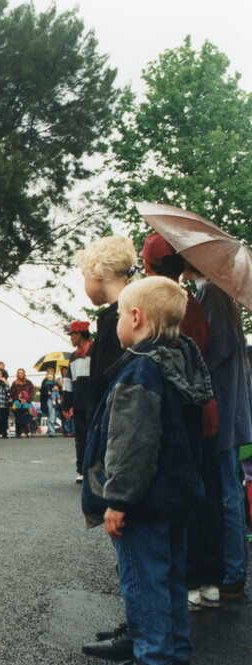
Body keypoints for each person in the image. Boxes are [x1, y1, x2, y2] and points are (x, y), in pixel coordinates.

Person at [80, 276, 210, 665]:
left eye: (119, 315)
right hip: (176, 497)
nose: (117, 321)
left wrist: (118, 501)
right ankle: (175, 660)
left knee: (144, 582)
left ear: (136, 317)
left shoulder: (140, 370)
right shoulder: (181, 362)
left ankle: (151, 662)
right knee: (171, 580)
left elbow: (133, 443)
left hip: (143, 502)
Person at [141, 232, 223, 611]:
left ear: (147, 264)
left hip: (176, 407)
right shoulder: (194, 301)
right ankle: (211, 580)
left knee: (181, 493)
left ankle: (188, 580)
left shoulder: (158, 301)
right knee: (208, 495)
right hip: (205, 405)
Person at [184, 258, 252, 603]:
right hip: (233, 406)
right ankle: (232, 570)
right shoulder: (216, 290)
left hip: (223, 407)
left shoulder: (210, 290)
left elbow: (217, 348)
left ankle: (233, 573)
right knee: (231, 488)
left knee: (227, 491)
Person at [75, 235, 140, 414]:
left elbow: (105, 384)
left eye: (85, 276)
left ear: (100, 273)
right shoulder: (138, 310)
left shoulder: (115, 320)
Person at [68, 321, 93, 481]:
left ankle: (95, 470)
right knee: (80, 438)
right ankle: (82, 470)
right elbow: (68, 381)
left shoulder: (96, 352)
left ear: (79, 335)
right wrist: (67, 403)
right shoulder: (73, 356)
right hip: (78, 404)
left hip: (93, 403)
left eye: (72, 335)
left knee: (94, 437)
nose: (71, 338)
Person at [39, 371, 58, 436]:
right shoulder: (45, 382)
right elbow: (44, 392)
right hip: (50, 399)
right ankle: (51, 432)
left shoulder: (56, 382)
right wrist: (52, 390)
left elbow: (59, 390)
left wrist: (58, 388)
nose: (51, 375)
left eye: (52, 373)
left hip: (56, 399)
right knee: (51, 415)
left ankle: (52, 430)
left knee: (54, 415)